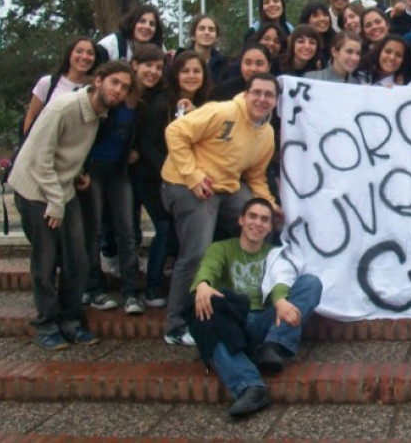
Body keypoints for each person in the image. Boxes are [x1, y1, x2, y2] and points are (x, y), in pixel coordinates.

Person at [7, 61, 132, 349]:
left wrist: (79, 174)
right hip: (36, 191)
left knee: (78, 258)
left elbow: (69, 152)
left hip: (62, 189)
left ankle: (72, 319)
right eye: (115, 82)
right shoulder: (64, 107)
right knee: (46, 260)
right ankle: (46, 324)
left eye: (125, 87)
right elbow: (39, 157)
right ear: (98, 81)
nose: (119, 91)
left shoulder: (100, 114)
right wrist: (55, 201)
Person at [160, 72, 278, 346]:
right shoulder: (221, 111)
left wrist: (270, 206)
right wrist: (193, 176)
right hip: (186, 182)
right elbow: (175, 132)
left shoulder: (267, 133)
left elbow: (256, 176)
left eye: (269, 95)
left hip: (227, 187)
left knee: (263, 225)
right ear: (246, 94)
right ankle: (176, 324)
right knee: (197, 251)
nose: (262, 99)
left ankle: (244, 297)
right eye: (257, 93)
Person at [188, 197, 322, 418]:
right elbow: (208, 269)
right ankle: (250, 387)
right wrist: (202, 285)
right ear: (241, 220)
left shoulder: (276, 253)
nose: (257, 223)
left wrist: (280, 301)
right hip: (234, 325)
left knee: (310, 283)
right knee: (206, 319)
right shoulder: (221, 248)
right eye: (252, 216)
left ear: (270, 227)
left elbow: (282, 279)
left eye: (264, 219)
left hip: (266, 325)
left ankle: (274, 347)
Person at [80, 44, 165, 315]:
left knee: (127, 230)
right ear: (135, 64)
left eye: (158, 67)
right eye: (147, 65)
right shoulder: (110, 97)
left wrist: (133, 151)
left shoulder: (146, 101)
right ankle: (95, 289)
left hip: (119, 171)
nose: (152, 71)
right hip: (93, 168)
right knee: (93, 230)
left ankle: (131, 293)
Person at [134, 50, 211, 308]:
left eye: (196, 71)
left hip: (187, 179)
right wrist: (167, 171)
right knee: (165, 227)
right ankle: (153, 286)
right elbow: (148, 144)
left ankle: (172, 281)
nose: (191, 76)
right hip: (154, 177)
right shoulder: (161, 104)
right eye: (185, 71)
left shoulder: (207, 105)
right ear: (176, 74)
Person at [22, 36, 98, 135]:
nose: (84, 57)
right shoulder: (48, 83)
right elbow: (31, 117)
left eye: (90, 53)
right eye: (79, 51)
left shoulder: (94, 89)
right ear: (69, 54)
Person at [96, 4, 165, 62]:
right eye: (142, 21)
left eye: (152, 24)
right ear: (132, 23)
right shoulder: (109, 45)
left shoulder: (159, 48)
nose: (147, 26)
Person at [185, 13, 229, 85]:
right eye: (202, 29)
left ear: (217, 38)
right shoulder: (180, 62)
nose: (207, 32)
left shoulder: (224, 65)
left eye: (211, 30)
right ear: (193, 36)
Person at [299, 1, 335, 66]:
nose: (322, 19)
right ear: (306, 20)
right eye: (316, 16)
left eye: (325, 15)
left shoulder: (336, 41)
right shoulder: (299, 43)